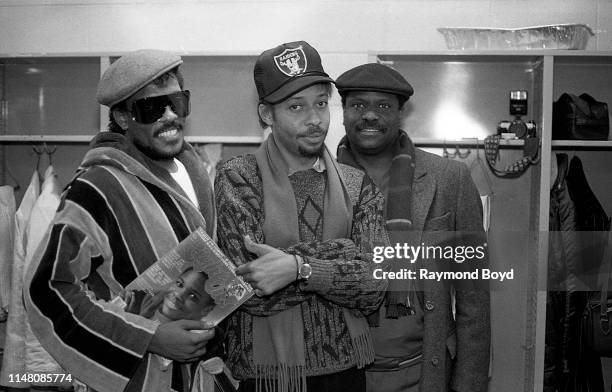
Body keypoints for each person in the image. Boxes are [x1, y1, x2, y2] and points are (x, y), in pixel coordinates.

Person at [24, 49, 217, 392]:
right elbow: (47, 288)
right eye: (152, 107)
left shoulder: (195, 172)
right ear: (124, 118)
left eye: (177, 102)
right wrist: (149, 337)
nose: (170, 115)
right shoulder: (96, 187)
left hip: (198, 375)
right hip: (139, 379)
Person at [214, 41, 388, 392]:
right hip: (265, 375)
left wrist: (296, 268)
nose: (314, 119)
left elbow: (376, 285)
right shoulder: (239, 178)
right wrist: (344, 254)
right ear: (267, 114)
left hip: (346, 373)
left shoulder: (357, 186)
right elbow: (248, 289)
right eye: (296, 107)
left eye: (321, 104)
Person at [335, 63, 491, 392]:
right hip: (339, 373)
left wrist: (469, 384)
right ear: (344, 111)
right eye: (358, 105)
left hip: (422, 371)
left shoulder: (450, 179)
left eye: (383, 106)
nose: (370, 115)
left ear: (400, 112)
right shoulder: (318, 180)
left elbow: (473, 298)